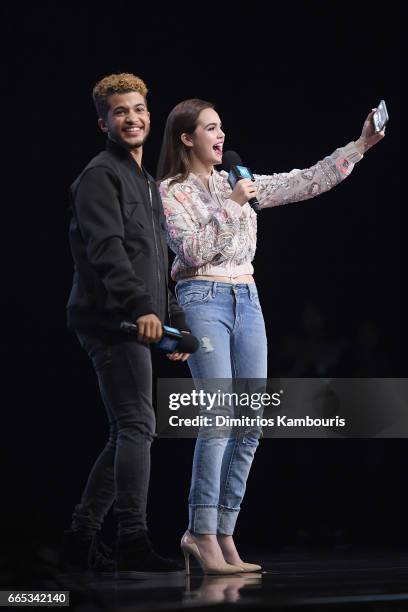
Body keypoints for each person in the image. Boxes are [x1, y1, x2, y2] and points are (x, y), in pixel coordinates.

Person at [157, 98, 385, 574]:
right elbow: (193, 250)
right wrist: (231, 205)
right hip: (203, 299)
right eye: (210, 128)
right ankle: (198, 532)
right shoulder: (172, 191)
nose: (221, 136)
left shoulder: (236, 179)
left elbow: (305, 180)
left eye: (222, 128)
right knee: (218, 417)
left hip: (248, 300)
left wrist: (361, 145)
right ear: (186, 138)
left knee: (251, 425)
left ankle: (224, 532)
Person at [63, 73, 190, 573]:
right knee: (138, 425)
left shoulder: (147, 182)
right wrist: (141, 309)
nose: (131, 118)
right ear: (104, 122)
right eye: (120, 112)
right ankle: (133, 539)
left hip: (135, 317)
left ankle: (80, 539)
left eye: (137, 109)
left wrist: (172, 320)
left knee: (126, 431)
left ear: (149, 115)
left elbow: (155, 257)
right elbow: (107, 251)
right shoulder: (100, 176)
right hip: (109, 318)